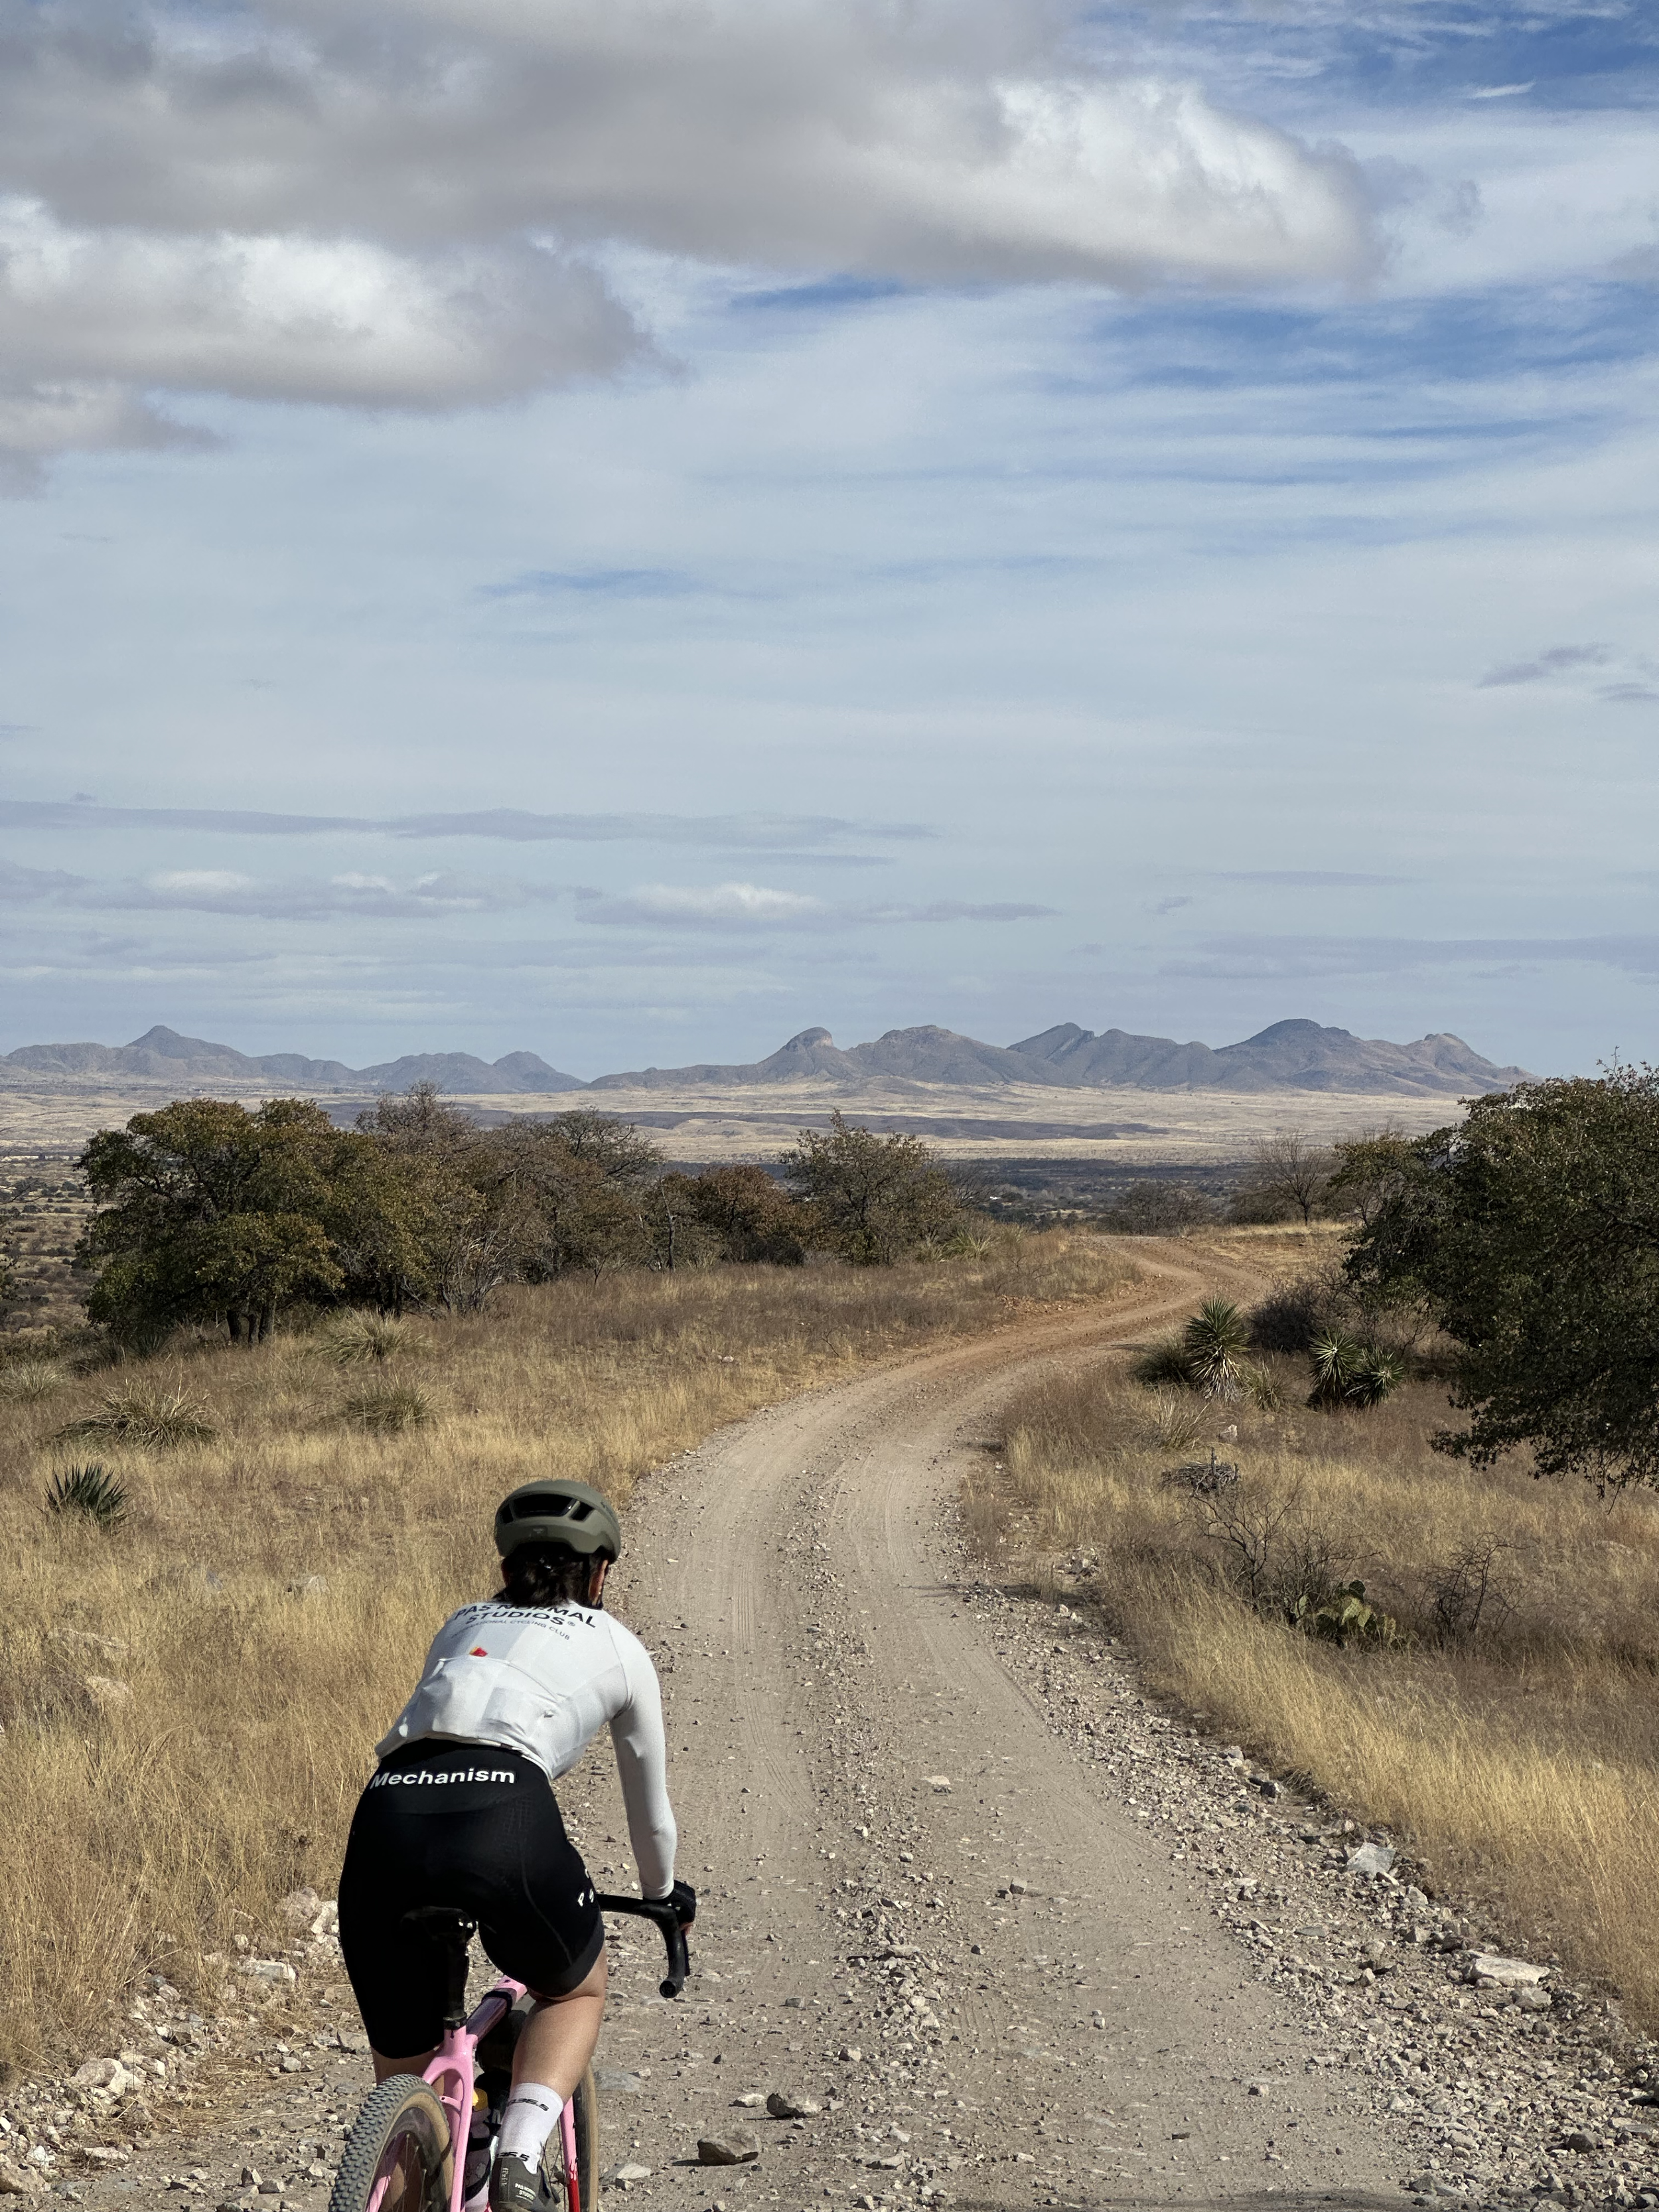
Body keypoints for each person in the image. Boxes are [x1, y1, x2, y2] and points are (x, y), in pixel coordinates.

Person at [338, 1479, 693, 2212]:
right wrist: (662, 1898)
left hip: (386, 1814)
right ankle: (522, 2157)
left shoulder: (459, 1620)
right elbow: (650, 1815)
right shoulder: (617, 1645)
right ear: (599, 1571)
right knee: (573, 1987)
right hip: (502, 1809)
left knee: (408, 2078)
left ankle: (438, 2149)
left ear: (506, 1568)